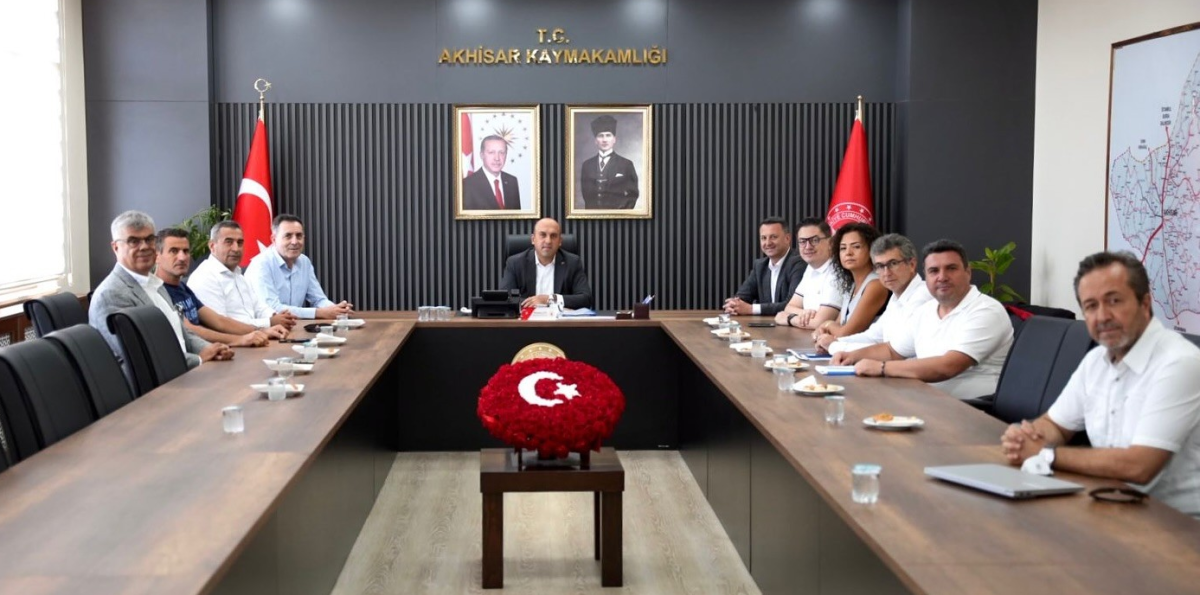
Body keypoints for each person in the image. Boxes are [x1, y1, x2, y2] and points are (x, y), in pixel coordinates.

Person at [1001, 252, 1200, 518]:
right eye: (1091, 306)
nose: (1102, 316)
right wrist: (1028, 437)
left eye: (1114, 301)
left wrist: (1045, 454)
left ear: (1145, 303)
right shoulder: (1096, 361)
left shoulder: (1179, 363)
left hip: (1177, 523)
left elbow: (1139, 466)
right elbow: (1056, 425)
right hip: (1110, 503)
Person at [831, 239, 1013, 400]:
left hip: (969, 408)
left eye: (951, 268)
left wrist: (882, 368)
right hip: (924, 398)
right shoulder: (927, 310)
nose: (942, 277)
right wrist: (851, 356)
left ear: (968, 272)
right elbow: (892, 350)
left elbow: (948, 366)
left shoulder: (986, 310)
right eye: (934, 271)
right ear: (926, 276)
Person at [88, 211, 232, 372]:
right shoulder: (111, 294)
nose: (144, 246)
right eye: (133, 241)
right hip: (154, 383)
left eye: (149, 239)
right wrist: (198, 359)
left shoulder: (157, 284)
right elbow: (140, 355)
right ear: (116, 247)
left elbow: (183, 332)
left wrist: (211, 349)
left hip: (184, 372)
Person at [154, 227, 291, 346]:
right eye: (174, 251)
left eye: (185, 251)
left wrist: (261, 331)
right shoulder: (157, 292)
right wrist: (240, 340)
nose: (182, 257)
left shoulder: (182, 287)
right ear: (156, 256)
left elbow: (219, 321)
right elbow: (189, 330)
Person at [815, 233, 933, 353]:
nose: (886, 273)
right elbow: (873, 336)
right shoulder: (896, 296)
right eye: (880, 266)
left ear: (912, 265)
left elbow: (897, 350)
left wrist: (835, 346)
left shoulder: (923, 296)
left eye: (893, 264)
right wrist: (836, 341)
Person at [188, 221, 298, 331]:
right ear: (212, 246)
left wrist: (276, 316)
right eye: (229, 242)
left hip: (256, 335)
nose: (236, 249)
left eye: (240, 243)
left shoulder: (238, 275)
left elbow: (258, 306)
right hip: (235, 339)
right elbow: (222, 325)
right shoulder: (204, 277)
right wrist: (270, 322)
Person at [245, 214, 354, 320]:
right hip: (260, 329)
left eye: (299, 236)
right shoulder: (260, 265)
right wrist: (319, 313)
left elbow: (318, 299)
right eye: (288, 236)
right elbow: (273, 309)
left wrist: (337, 309)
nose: (294, 242)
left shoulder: (304, 262)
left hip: (293, 326)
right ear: (273, 239)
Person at [807, 222, 888, 337]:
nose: (848, 253)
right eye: (843, 248)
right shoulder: (852, 285)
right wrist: (825, 327)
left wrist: (827, 325)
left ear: (872, 249)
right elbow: (838, 324)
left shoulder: (876, 284)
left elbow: (845, 333)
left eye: (856, 246)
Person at [500, 218, 593, 309]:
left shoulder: (572, 263)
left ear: (560, 241)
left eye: (553, 236)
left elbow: (586, 299)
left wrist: (549, 299)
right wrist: (533, 305)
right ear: (533, 239)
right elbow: (505, 299)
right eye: (543, 235)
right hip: (528, 318)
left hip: (559, 318)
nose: (548, 241)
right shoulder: (515, 263)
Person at [723, 217, 803, 316]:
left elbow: (792, 305)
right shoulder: (760, 266)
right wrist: (734, 305)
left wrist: (752, 309)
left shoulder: (799, 262)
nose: (768, 243)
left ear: (787, 238)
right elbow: (742, 297)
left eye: (773, 237)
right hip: (766, 324)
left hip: (792, 324)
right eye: (763, 238)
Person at [774, 217, 839, 329]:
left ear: (830, 242)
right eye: (802, 241)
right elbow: (789, 307)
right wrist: (804, 313)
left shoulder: (837, 273)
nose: (808, 247)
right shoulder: (810, 268)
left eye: (815, 240)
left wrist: (789, 319)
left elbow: (820, 323)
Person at [579, 115, 639, 209]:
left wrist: (621, 213)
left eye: (608, 135)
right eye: (600, 136)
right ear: (595, 141)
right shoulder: (587, 165)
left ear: (614, 139)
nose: (604, 140)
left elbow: (633, 195)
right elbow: (586, 195)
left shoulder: (626, 164)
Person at [462, 135, 521, 210]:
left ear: (506, 155)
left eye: (501, 152)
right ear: (482, 155)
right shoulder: (467, 185)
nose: (497, 158)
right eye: (491, 152)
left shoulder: (512, 181)